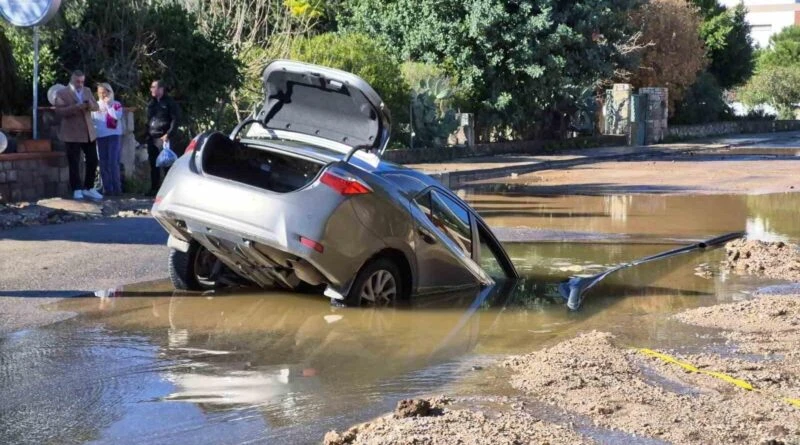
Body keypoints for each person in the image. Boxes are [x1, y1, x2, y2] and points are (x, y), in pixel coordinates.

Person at [54, 70, 103, 200]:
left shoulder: (87, 90)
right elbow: (59, 112)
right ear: (72, 80)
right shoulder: (62, 93)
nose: (80, 84)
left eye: (82, 81)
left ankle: (89, 187)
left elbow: (96, 107)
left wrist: (90, 104)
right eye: (78, 81)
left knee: (93, 159)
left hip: (88, 132)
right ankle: (76, 188)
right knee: (74, 161)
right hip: (72, 132)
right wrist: (76, 107)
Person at [146, 79, 180, 196]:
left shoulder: (170, 103)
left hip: (164, 138)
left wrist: (168, 134)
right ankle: (154, 188)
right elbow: (150, 119)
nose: (151, 89)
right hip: (152, 137)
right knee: (153, 164)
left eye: (153, 87)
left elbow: (175, 120)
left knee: (166, 165)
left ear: (161, 89)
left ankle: (168, 190)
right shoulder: (152, 103)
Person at [92, 83, 124, 197]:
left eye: (104, 92)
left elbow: (116, 116)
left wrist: (109, 105)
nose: (102, 95)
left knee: (113, 162)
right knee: (103, 163)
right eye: (99, 92)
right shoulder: (95, 105)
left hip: (114, 135)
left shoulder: (116, 104)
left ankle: (117, 188)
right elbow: (93, 120)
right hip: (101, 136)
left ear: (109, 92)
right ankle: (107, 188)